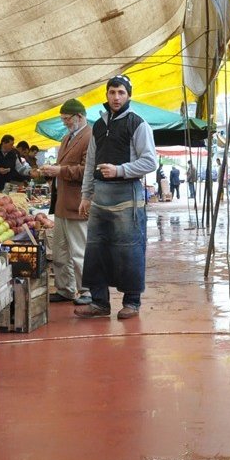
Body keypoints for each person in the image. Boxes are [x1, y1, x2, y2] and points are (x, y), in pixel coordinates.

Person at [75, 74, 157, 320]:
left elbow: (150, 161)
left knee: (129, 249)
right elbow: (91, 163)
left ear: (129, 95)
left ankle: (132, 302)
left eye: (121, 92)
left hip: (127, 195)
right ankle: (100, 303)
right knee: (96, 248)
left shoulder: (138, 123)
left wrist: (120, 170)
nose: (116, 97)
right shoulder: (98, 126)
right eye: (112, 92)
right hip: (100, 195)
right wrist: (86, 195)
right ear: (107, 95)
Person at [41, 100, 93, 305]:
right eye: (62, 119)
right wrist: (51, 170)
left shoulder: (89, 137)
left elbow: (88, 171)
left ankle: (87, 290)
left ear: (79, 116)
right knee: (60, 251)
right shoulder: (67, 138)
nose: (64, 123)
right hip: (61, 203)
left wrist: (60, 171)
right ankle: (65, 289)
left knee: (80, 250)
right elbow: (64, 166)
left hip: (78, 204)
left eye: (67, 119)